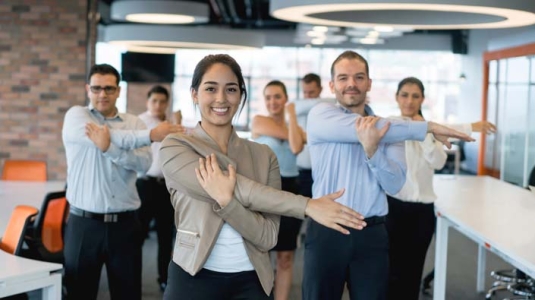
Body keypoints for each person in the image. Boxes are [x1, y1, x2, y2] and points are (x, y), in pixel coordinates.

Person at [158, 54, 367, 300]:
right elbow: (243, 189)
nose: (221, 98)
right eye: (211, 88)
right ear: (195, 94)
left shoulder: (263, 155)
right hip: (191, 277)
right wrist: (307, 205)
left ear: (241, 96)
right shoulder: (176, 146)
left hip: (252, 282)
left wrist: (227, 204)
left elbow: (267, 238)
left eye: (231, 89)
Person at [303, 50, 475, 300]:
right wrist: (428, 127)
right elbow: (362, 129)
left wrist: (373, 152)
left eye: (359, 77)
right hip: (328, 230)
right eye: (343, 78)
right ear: (332, 85)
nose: (351, 84)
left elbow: (394, 184)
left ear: (369, 83)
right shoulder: (321, 115)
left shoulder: (392, 132)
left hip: (371, 234)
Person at [62, 64, 181, 300]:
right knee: (78, 294)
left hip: (124, 226)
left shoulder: (133, 123)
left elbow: (144, 164)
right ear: (88, 89)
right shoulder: (77, 116)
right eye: (96, 88)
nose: (102, 94)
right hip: (83, 224)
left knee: (127, 294)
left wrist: (109, 149)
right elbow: (108, 135)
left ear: (118, 91)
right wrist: (150, 135)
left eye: (108, 88)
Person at [386, 77, 496, 300]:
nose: (409, 101)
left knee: (413, 269)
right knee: (390, 268)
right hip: (392, 208)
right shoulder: (390, 124)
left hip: (422, 211)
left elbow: (437, 162)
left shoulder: (433, 132)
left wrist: (427, 133)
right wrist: (470, 126)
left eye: (415, 96)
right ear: (397, 97)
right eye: (404, 95)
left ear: (422, 99)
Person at [251, 80, 306, 300]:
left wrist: (291, 115)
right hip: (265, 189)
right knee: (261, 254)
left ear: (285, 99)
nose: (272, 101)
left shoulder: (295, 127)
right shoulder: (259, 121)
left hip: (292, 189)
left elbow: (295, 147)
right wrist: (293, 124)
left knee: (285, 256)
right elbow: (295, 143)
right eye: (268, 97)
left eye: (277, 97)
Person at [136, 85, 185, 292]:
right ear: (148, 102)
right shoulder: (140, 122)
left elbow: (180, 148)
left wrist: (177, 123)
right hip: (144, 185)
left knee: (166, 237)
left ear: (166, 103)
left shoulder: (170, 124)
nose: (158, 105)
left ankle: (164, 280)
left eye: (162, 101)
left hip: (166, 188)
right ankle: (131, 279)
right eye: (154, 101)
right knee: (137, 236)